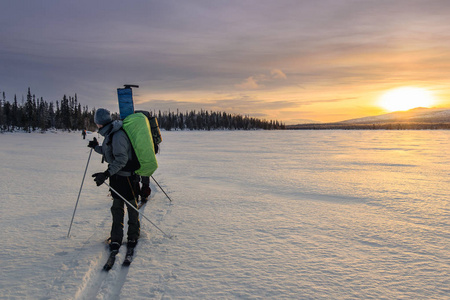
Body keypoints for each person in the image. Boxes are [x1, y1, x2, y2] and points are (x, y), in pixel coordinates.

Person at [88, 108, 140, 252]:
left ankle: (133, 235)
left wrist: (106, 173)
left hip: (127, 177)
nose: (96, 126)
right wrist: (95, 148)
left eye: (97, 123)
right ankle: (116, 237)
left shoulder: (118, 135)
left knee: (131, 207)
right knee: (117, 208)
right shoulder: (109, 133)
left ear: (102, 123)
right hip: (116, 177)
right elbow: (108, 151)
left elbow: (122, 159)